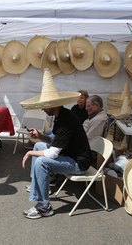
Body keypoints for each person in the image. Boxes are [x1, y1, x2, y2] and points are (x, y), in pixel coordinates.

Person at [20, 68, 94, 219]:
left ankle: (44, 207)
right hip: (69, 155)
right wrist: (40, 136)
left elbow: (53, 153)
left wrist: (29, 153)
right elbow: (56, 142)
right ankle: (38, 188)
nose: (42, 108)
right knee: (38, 145)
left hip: (79, 163)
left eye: (45, 105)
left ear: (54, 104)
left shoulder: (66, 120)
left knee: (41, 161)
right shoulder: (60, 115)